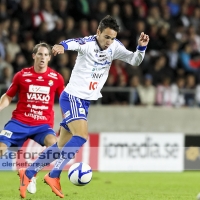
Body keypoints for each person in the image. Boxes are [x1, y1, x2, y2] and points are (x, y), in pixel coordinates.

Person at [18, 15, 149, 198]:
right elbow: (73, 43)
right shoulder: (88, 43)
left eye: (112, 38)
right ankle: (53, 175)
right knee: (81, 136)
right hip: (73, 97)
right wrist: (60, 46)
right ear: (98, 32)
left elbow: (135, 60)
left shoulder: (114, 47)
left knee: (60, 146)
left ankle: (29, 173)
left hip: (84, 102)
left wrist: (141, 47)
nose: (109, 42)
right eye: (106, 37)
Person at [0, 43, 65, 194]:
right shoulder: (21, 75)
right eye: (40, 54)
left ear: (50, 58)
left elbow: (64, 101)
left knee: (55, 147)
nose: (43, 57)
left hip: (42, 125)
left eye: (46, 55)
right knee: (1, 148)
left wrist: (65, 121)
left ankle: (31, 173)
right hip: (19, 122)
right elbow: (8, 97)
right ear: (33, 56)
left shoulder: (56, 78)